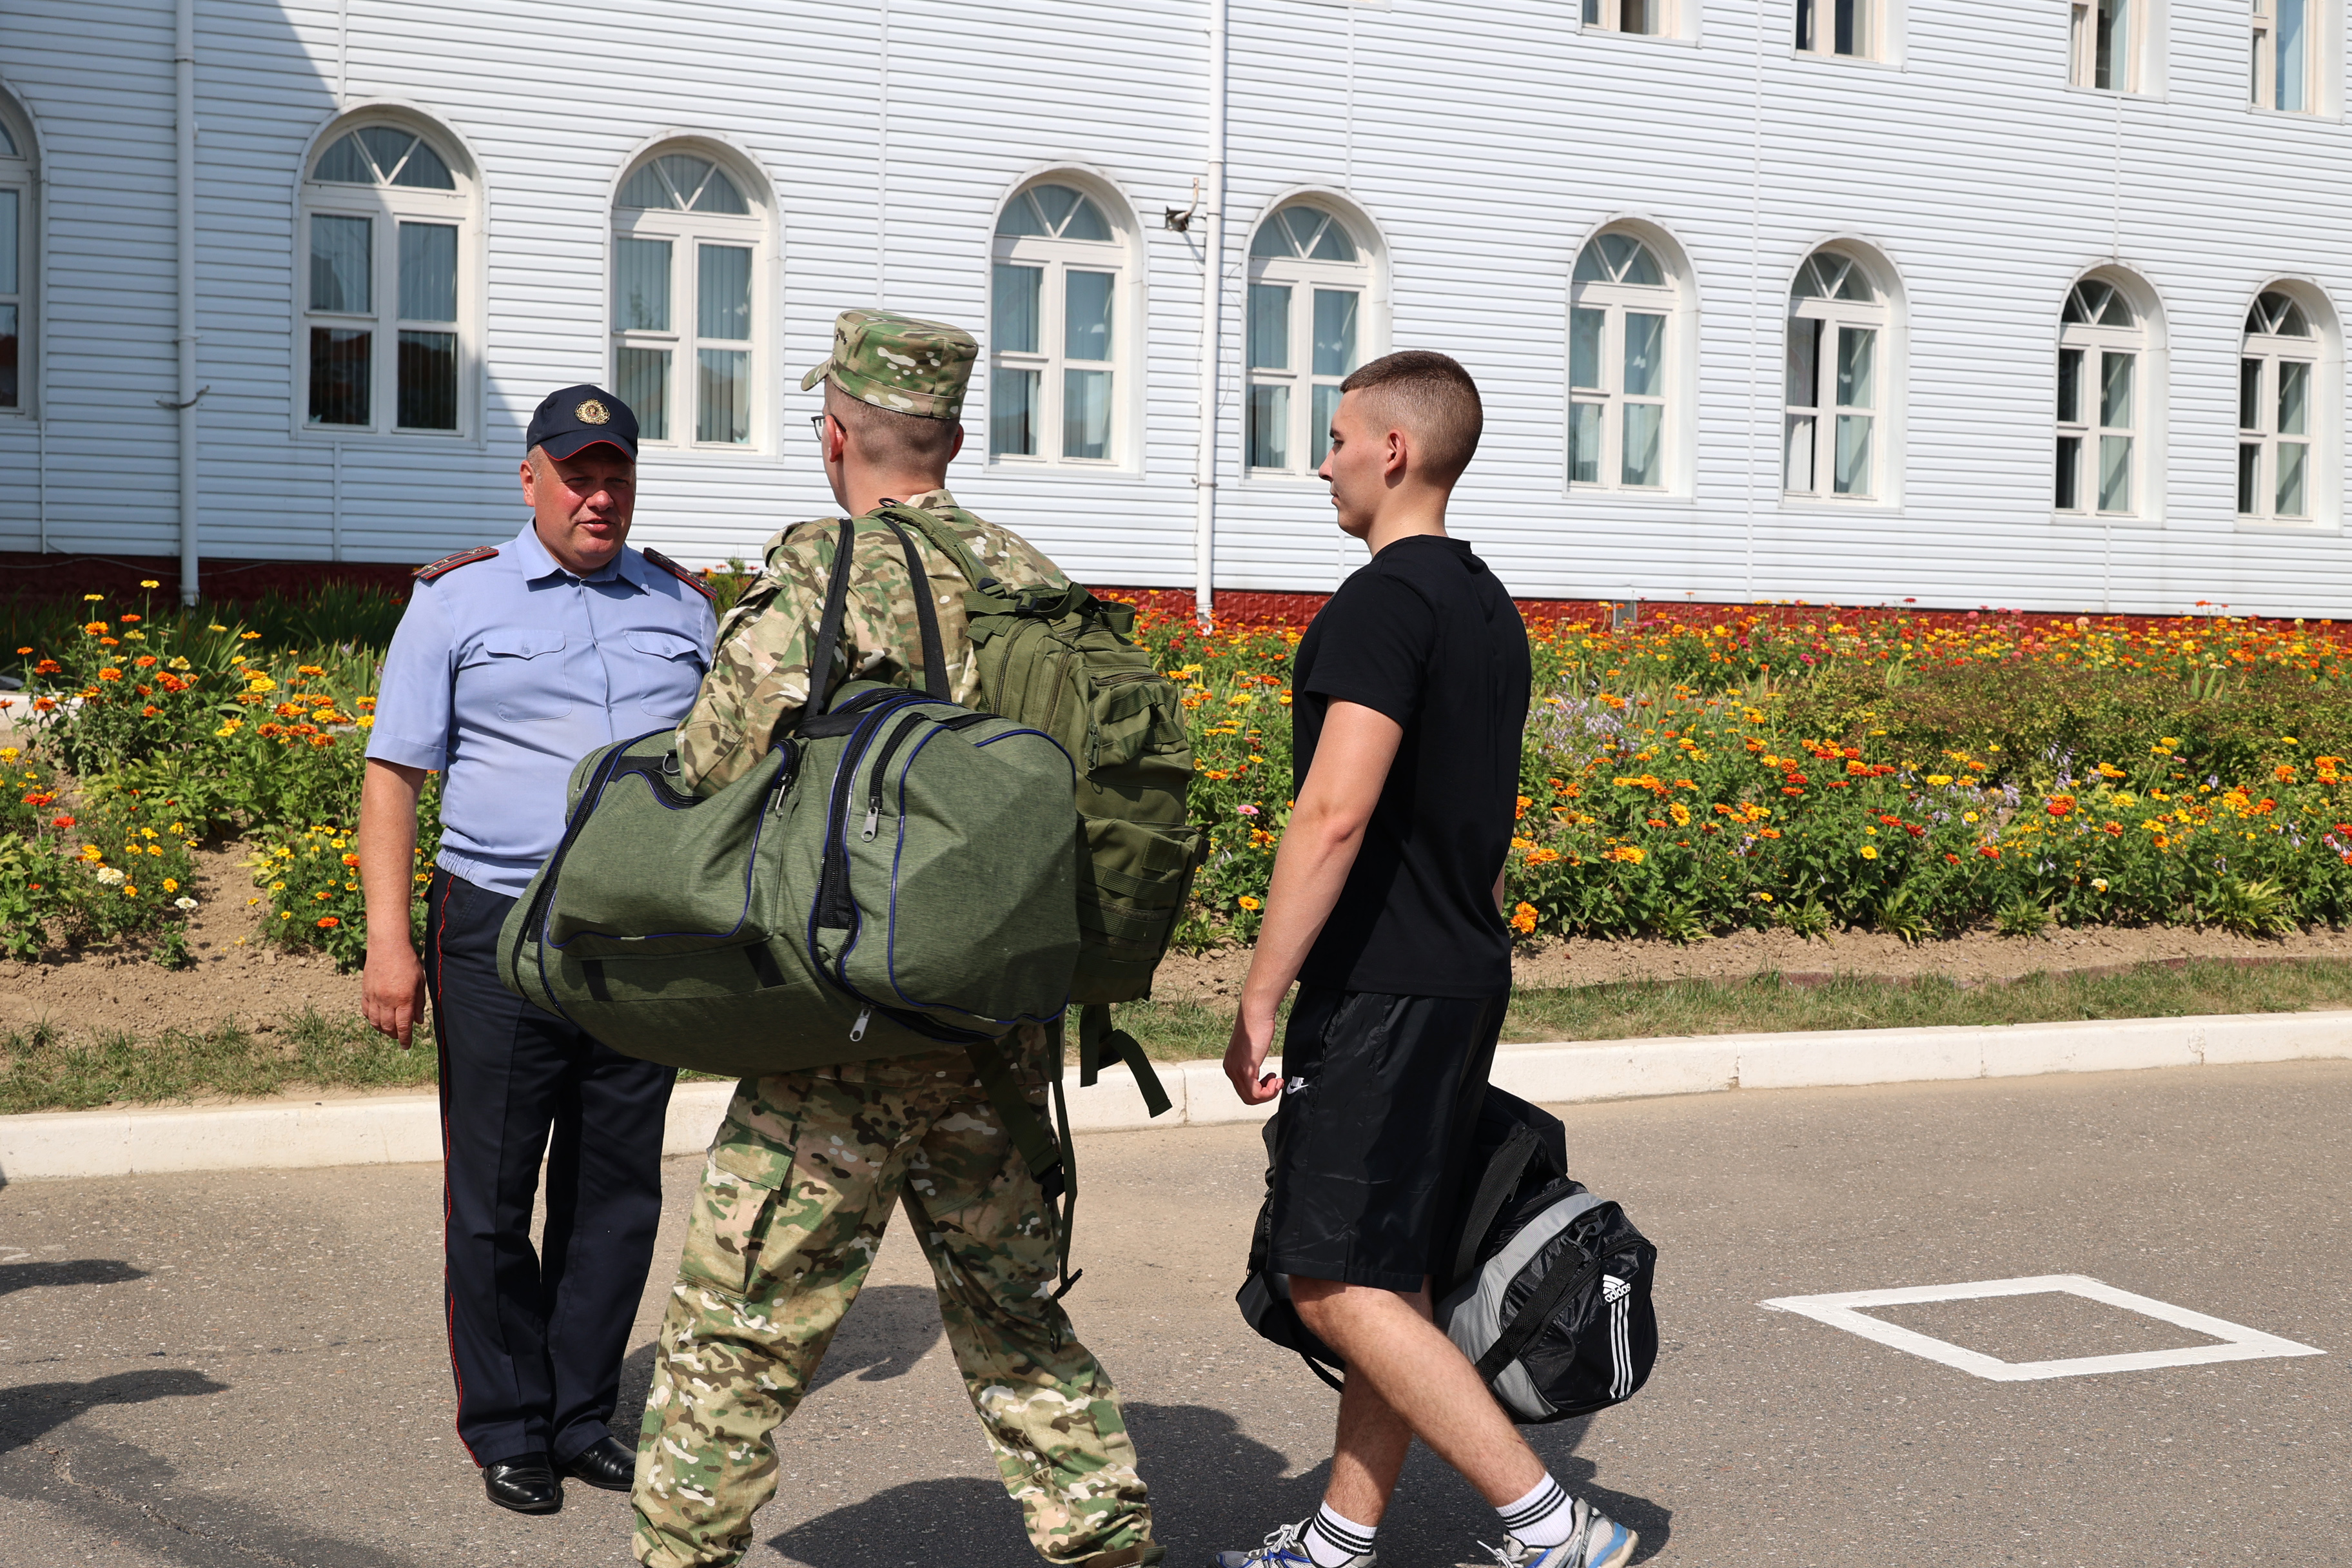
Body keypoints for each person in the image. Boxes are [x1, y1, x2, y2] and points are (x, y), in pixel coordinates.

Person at [631, 309, 1161, 1568]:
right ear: (957, 437)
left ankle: (680, 1549)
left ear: (835, 436)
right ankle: (1105, 1539)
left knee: (736, 1328)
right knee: (1016, 1321)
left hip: (839, 1032)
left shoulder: (820, 575)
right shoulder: (1028, 576)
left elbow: (711, 767)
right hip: (995, 1037)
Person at [1217, 352, 1634, 1568]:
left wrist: (1258, 992)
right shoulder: (1486, 607)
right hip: (1457, 974)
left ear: (1392, 450)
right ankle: (1344, 1536)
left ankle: (1550, 1524)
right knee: (1386, 1273)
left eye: (1338, 435)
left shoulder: (1381, 605)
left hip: (1386, 989)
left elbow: (1332, 814)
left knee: (1328, 1280)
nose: (1324, 459)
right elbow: (1487, 824)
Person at [357, 385, 718, 1516]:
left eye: (616, 476)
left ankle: (577, 1414)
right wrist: (388, 941)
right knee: (495, 1190)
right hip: (498, 926)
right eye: (578, 475)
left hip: (637, 941)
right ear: (532, 480)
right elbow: (394, 775)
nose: (599, 497)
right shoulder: (456, 602)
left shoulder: (684, 605)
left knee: (617, 1194)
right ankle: (507, 1423)